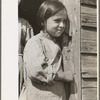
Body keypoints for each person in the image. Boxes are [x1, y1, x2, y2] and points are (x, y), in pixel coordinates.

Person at [19, 0, 74, 100]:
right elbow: (37, 70)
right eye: (57, 21)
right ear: (43, 22)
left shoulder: (55, 43)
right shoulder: (35, 42)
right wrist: (64, 76)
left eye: (64, 21)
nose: (62, 25)